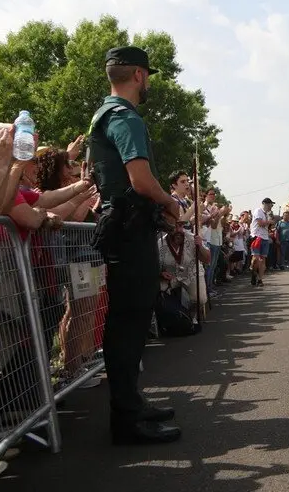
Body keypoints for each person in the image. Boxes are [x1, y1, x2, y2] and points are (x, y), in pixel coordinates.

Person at [88, 46, 181, 444]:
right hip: (129, 228)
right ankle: (126, 418)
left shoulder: (106, 114)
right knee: (128, 323)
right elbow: (140, 180)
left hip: (124, 227)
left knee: (131, 320)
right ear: (140, 76)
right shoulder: (124, 117)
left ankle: (131, 404)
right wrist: (171, 202)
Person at [249, 198, 274, 286]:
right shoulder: (258, 211)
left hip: (265, 238)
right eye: (270, 204)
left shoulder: (267, 214)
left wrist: (270, 223)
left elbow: (267, 226)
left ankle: (260, 279)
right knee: (256, 259)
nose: (271, 206)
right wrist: (269, 221)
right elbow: (260, 223)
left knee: (263, 259)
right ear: (265, 204)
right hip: (256, 237)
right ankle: (253, 271)